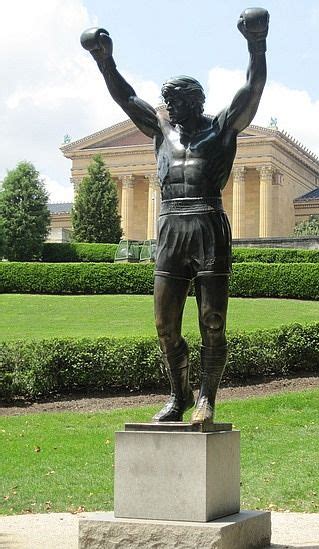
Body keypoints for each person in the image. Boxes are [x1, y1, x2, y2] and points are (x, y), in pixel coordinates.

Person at [80, 7, 269, 423]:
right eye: (167, 101)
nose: (169, 107)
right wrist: (104, 60)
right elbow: (126, 97)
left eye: (177, 101)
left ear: (195, 101)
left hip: (207, 225)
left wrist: (257, 43)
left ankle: (206, 398)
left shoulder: (221, 129)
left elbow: (252, 90)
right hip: (170, 228)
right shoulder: (162, 130)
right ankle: (178, 395)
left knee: (213, 321)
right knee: (165, 327)